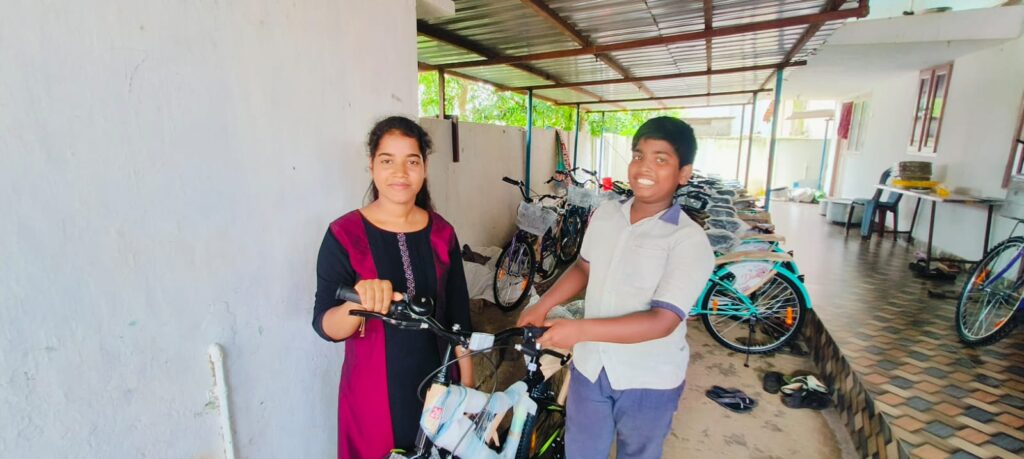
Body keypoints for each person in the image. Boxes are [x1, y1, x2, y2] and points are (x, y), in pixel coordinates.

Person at [517, 116, 714, 459]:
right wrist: (542, 305)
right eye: (638, 155)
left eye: (661, 159)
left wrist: (578, 330)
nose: (644, 167)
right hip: (590, 368)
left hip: (648, 379)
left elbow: (662, 321)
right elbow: (583, 267)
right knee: (581, 451)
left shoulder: (688, 240)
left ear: (684, 173)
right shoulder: (607, 215)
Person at [312, 116, 473, 459]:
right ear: (372, 165)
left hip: (441, 387)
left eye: (411, 161)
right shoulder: (344, 235)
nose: (400, 172)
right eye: (387, 161)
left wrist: (469, 394)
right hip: (371, 398)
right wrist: (358, 305)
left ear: (424, 168)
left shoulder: (442, 233)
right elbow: (325, 325)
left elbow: (460, 320)